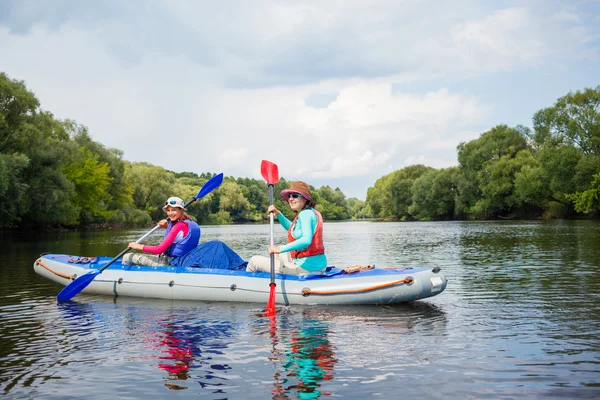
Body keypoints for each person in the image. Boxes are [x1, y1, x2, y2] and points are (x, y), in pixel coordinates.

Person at [246, 181, 327, 276]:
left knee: (254, 261)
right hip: (318, 266)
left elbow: (306, 240)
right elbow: (292, 229)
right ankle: (277, 271)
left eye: (295, 196)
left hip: (306, 269)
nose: (291, 199)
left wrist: (281, 250)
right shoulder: (310, 212)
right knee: (277, 252)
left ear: (305, 199)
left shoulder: (305, 214)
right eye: (289, 196)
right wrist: (278, 214)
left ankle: (245, 285)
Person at [123, 196, 201, 267]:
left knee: (127, 257)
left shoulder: (178, 226)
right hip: (183, 260)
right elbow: (180, 236)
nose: (170, 213)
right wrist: (167, 227)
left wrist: (137, 246)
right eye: (168, 210)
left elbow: (159, 250)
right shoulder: (191, 223)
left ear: (181, 210)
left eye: (174, 210)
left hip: (169, 262)